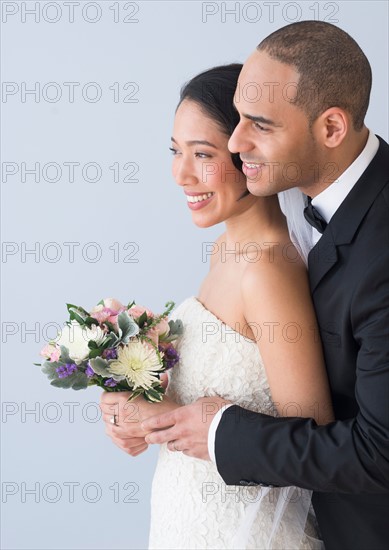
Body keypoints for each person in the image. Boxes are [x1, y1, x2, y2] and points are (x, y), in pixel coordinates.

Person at [142, 21, 389, 550]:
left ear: (331, 129)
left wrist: (211, 429)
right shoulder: (293, 201)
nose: (235, 143)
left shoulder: (358, 253)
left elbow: (377, 450)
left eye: (258, 124)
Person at [101, 63, 334, 549]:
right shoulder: (227, 249)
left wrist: (177, 420)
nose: (181, 173)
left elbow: (312, 442)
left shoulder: (267, 269)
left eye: (202, 154)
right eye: (175, 151)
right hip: (187, 515)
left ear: (250, 155)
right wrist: (135, 404)